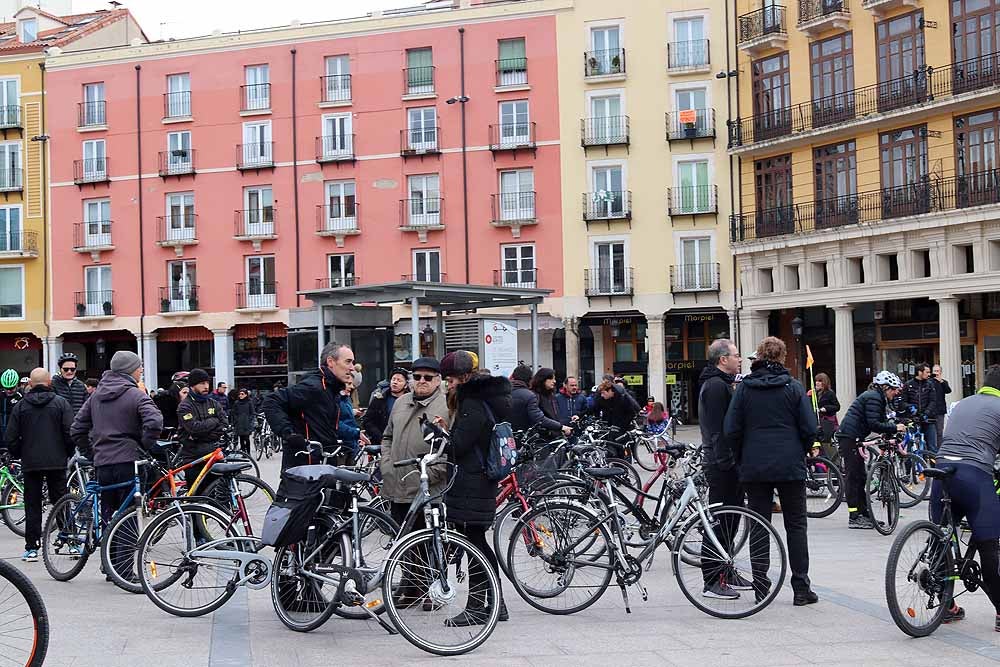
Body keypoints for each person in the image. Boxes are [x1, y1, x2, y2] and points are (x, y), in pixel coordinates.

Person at [723, 336, 819, 607]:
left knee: (759, 525)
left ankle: (761, 586)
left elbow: (731, 428)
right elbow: (809, 427)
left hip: (755, 466)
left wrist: (742, 456)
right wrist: (800, 449)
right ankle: (801, 587)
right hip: (790, 465)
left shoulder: (745, 388)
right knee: (796, 525)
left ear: (760, 357)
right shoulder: (794, 387)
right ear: (782, 357)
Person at [438, 350, 511, 625]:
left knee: (475, 545)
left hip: (473, 481)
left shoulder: (473, 403)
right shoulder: (486, 397)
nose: (449, 384)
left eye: (451, 379)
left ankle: (480, 607)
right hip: (480, 479)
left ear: (465, 377)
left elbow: (460, 445)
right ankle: (496, 604)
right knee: (477, 544)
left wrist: (441, 434)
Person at [929, 364, 1000, 628]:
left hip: (941, 471)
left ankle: (946, 606)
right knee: (988, 545)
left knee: (941, 538)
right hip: (974, 476)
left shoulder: (961, 404)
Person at [70, 351, 163, 529]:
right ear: (130, 370)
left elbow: (77, 429)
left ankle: (108, 553)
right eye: (139, 367)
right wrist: (143, 445)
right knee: (128, 517)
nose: (141, 370)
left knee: (109, 514)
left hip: (103, 463)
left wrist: (91, 453)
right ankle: (123, 557)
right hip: (128, 462)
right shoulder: (136, 394)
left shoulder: (95, 397)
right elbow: (155, 421)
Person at [5, 368, 74, 561]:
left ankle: (32, 546)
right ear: (50, 383)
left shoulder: (20, 406)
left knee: (33, 504)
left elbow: (11, 437)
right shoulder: (61, 403)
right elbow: (70, 432)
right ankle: (70, 540)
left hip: (31, 462)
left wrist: (21, 453)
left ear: (30, 385)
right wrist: (66, 453)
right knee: (61, 500)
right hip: (56, 461)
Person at [264, 341, 359, 472]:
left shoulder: (332, 390)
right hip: (304, 468)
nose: (352, 367)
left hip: (323, 464)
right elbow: (271, 401)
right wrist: (289, 434)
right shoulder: (313, 387)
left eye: (352, 362)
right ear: (331, 362)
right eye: (348, 362)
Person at [698, 338, 745, 599]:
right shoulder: (715, 386)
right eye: (736, 355)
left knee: (731, 522)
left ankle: (726, 569)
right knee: (719, 522)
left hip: (726, 462)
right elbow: (717, 429)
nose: (739, 359)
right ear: (723, 359)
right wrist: (727, 462)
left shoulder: (723, 383)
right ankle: (712, 579)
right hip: (720, 464)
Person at [378, 356, 448, 533]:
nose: (422, 381)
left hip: (428, 491)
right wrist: (386, 465)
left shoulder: (447, 405)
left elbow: (450, 445)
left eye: (428, 377)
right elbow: (387, 436)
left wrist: (430, 474)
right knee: (401, 546)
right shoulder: (401, 402)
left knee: (428, 550)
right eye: (417, 377)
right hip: (396, 489)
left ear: (438, 380)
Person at [837, 371, 907, 529]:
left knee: (861, 477)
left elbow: (881, 420)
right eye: (894, 389)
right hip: (849, 437)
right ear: (886, 387)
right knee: (853, 478)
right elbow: (874, 423)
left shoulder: (878, 397)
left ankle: (864, 514)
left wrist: (893, 430)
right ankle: (854, 516)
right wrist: (895, 427)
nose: (896, 392)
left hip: (855, 437)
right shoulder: (874, 397)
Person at [177, 368, 227, 492]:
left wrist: (203, 435)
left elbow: (224, 424)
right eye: (202, 383)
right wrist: (214, 421)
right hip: (194, 458)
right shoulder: (185, 406)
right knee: (198, 497)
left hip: (213, 455)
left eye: (207, 383)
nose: (206, 386)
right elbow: (194, 429)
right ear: (192, 386)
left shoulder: (214, 403)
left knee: (220, 494)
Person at [589, 379, 641, 458]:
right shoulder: (604, 398)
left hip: (623, 426)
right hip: (612, 425)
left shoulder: (622, 398)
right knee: (611, 446)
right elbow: (594, 408)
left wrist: (621, 426)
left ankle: (623, 463)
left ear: (610, 391)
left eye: (603, 393)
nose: (602, 395)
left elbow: (631, 413)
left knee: (620, 447)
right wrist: (580, 416)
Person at [362, 368, 410, 446]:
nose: (395, 382)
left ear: (405, 385)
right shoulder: (379, 399)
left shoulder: (410, 401)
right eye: (393, 379)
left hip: (404, 443)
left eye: (399, 380)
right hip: (381, 443)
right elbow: (367, 421)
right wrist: (380, 438)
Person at [902, 363, 939, 453]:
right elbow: (902, 403)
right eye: (927, 372)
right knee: (911, 446)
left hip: (928, 420)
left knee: (932, 447)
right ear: (919, 372)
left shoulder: (930, 385)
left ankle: (934, 466)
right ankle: (909, 466)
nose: (929, 374)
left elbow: (933, 401)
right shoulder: (908, 385)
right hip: (913, 420)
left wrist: (926, 413)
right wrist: (909, 407)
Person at [529, 368, 573, 438]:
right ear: (543, 379)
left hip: (554, 435)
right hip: (543, 438)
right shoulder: (535, 396)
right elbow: (539, 418)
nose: (554, 381)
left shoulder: (551, 396)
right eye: (551, 379)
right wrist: (560, 427)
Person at [337, 376, 362, 464]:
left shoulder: (346, 398)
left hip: (351, 445)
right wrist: (356, 433)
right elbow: (336, 423)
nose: (352, 387)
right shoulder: (334, 400)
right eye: (349, 384)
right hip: (340, 447)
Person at [813, 372, 841, 446]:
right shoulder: (814, 393)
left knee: (826, 442)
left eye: (820, 381)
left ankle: (828, 456)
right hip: (817, 421)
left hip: (827, 421)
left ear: (824, 382)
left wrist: (826, 408)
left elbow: (837, 407)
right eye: (816, 381)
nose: (817, 383)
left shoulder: (830, 393)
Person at [507, 364, 535, 432]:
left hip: (505, 435)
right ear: (530, 379)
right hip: (523, 435)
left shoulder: (502, 393)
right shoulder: (530, 395)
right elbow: (537, 418)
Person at [931, 364, 952, 449]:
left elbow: (948, 391)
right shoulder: (929, 382)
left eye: (937, 371)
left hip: (940, 410)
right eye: (934, 371)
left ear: (940, 372)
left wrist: (941, 382)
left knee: (939, 431)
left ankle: (939, 449)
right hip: (930, 410)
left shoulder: (943, 382)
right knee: (932, 432)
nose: (936, 373)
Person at [230, 387, 256, 456]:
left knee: (247, 438)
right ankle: (243, 452)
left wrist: (250, 421)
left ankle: (248, 452)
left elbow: (252, 413)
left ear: (246, 395)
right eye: (240, 394)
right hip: (239, 423)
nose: (240, 395)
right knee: (241, 438)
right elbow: (234, 413)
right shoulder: (237, 403)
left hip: (247, 423)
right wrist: (235, 421)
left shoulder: (249, 402)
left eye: (242, 394)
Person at [0, 369, 22, 434]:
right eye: (6, 388)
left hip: (15, 433)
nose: (9, 391)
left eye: (12, 388)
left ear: (17, 384)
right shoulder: (1, 395)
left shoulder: (22, 397)